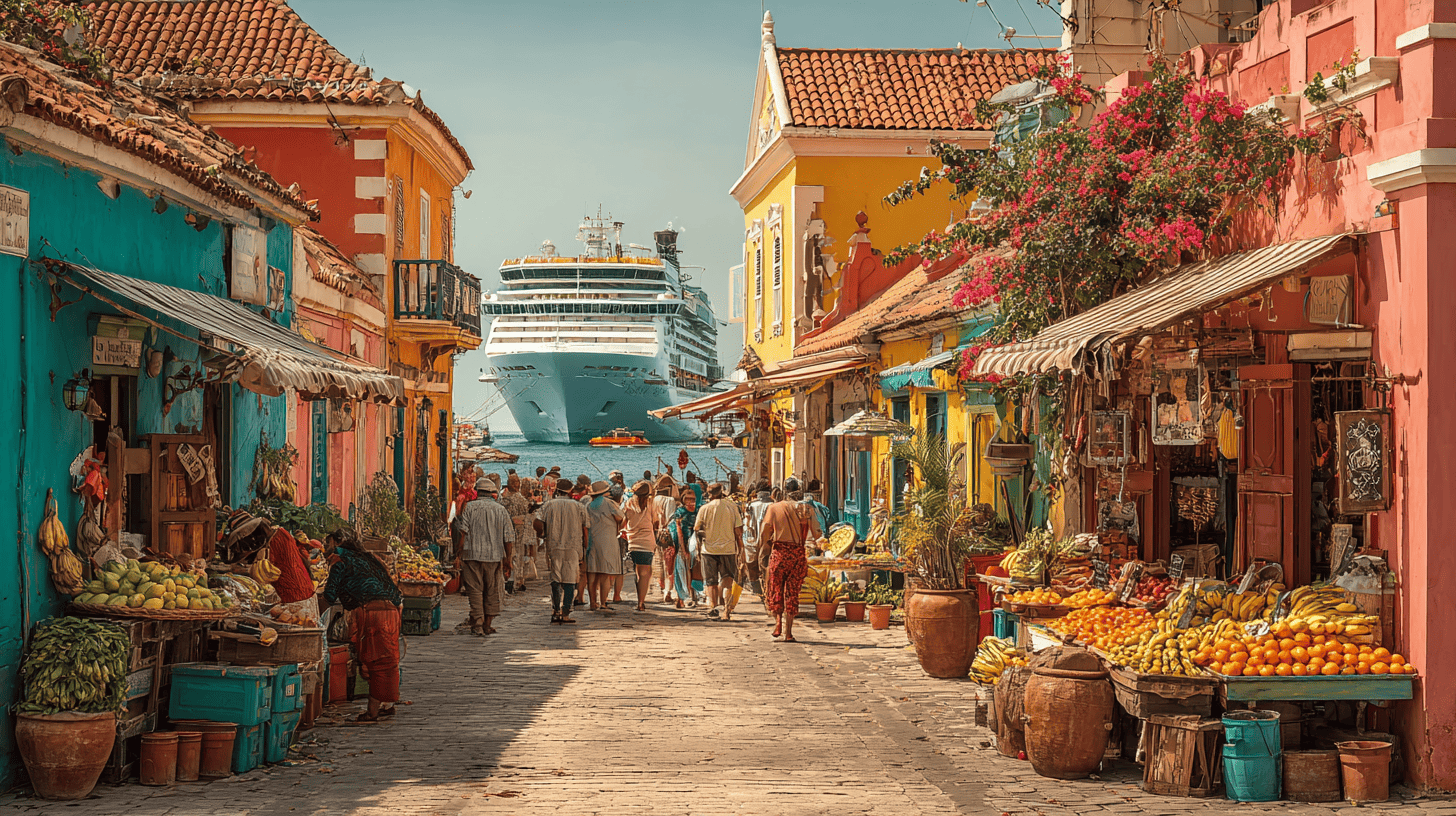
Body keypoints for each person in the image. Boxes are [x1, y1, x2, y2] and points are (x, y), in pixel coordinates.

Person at [322, 527, 402, 722]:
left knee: (373, 659)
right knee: (389, 660)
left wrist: (315, 616)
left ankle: (372, 711)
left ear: (339, 542)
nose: (326, 547)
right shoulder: (370, 558)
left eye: (328, 543)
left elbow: (329, 596)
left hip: (371, 613)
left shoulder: (340, 561)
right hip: (392, 610)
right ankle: (387, 704)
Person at [454, 478, 514, 636]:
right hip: (494, 556)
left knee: (475, 590)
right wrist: (508, 559)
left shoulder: (470, 508)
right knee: (491, 590)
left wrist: (458, 554)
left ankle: (478, 622)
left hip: (471, 554)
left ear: (477, 492)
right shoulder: (501, 510)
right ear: (492, 493)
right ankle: (487, 624)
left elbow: (463, 533)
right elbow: (508, 537)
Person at [760, 478, 811, 643]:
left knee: (776, 588)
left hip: (780, 552)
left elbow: (764, 531)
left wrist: (762, 546)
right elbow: (816, 532)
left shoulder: (774, 507)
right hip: (797, 554)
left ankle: (777, 624)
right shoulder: (805, 508)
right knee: (792, 592)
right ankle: (789, 631)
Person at [535, 479, 590, 624]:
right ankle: (566, 612)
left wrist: (542, 533)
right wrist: (586, 548)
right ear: (570, 491)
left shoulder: (548, 505)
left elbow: (537, 521)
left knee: (556, 579)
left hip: (554, 545)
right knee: (570, 580)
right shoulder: (579, 507)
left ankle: (556, 611)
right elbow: (585, 530)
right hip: (573, 546)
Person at [693, 482, 743, 621]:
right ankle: (726, 612)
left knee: (711, 582)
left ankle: (713, 609)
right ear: (722, 492)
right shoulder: (732, 507)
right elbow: (738, 530)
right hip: (728, 549)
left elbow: (697, 529)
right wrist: (741, 549)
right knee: (727, 580)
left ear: (709, 494)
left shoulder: (704, 508)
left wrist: (699, 545)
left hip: (708, 549)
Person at [582, 480, 624, 613]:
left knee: (592, 573)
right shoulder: (609, 502)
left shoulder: (588, 505)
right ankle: (603, 602)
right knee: (604, 574)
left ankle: (592, 602)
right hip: (607, 540)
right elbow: (620, 517)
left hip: (592, 540)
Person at [621, 480, 659, 611]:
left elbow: (623, 521)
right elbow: (656, 522)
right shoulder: (650, 504)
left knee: (639, 573)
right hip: (647, 542)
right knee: (644, 573)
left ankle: (640, 599)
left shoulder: (628, 504)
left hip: (633, 542)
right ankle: (641, 602)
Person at [501, 474, 533, 594]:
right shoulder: (522, 500)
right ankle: (519, 581)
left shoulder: (505, 500)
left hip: (508, 529)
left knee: (510, 555)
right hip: (520, 530)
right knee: (518, 556)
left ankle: (510, 580)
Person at [669, 485, 700, 608]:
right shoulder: (680, 512)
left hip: (695, 543)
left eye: (692, 499)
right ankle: (681, 597)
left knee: (693, 569)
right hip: (681, 542)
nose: (690, 502)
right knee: (681, 569)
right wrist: (682, 547)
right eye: (687, 499)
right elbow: (678, 530)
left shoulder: (698, 510)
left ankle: (693, 595)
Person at [744, 481, 774, 595]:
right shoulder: (773, 505)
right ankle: (767, 589)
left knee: (752, 564)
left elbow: (747, 523)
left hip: (751, 538)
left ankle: (756, 589)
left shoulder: (751, 505)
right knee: (766, 564)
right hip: (768, 539)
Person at [652, 475, 679, 601]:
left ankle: (661, 587)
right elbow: (670, 518)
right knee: (669, 564)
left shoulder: (653, 499)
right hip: (667, 534)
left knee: (659, 561)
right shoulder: (670, 501)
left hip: (655, 533)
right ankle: (667, 592)